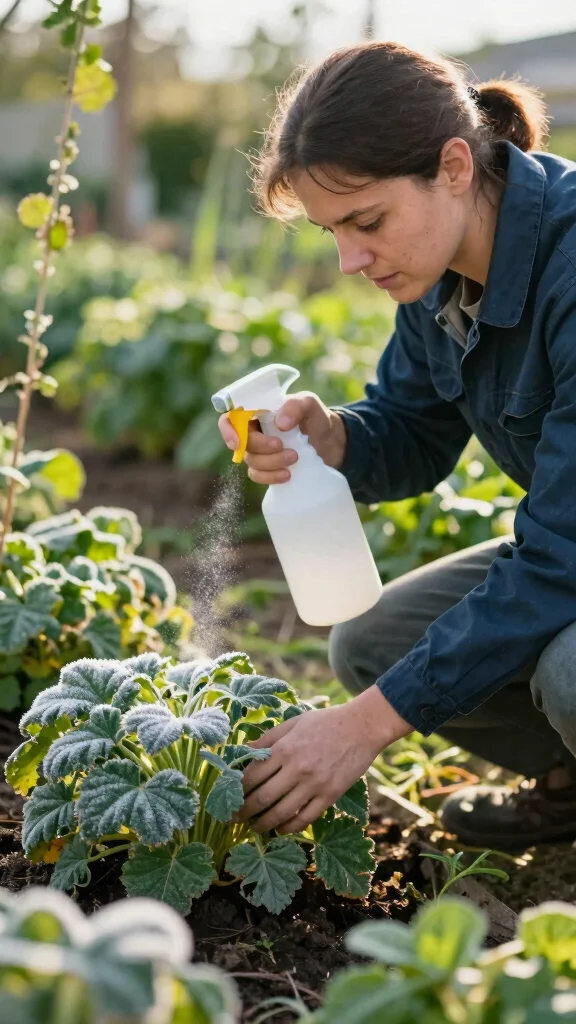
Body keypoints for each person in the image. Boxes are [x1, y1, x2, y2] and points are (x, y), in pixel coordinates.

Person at [219, 40, 576, 850]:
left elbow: (562, 558)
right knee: (375, 643)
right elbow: (412, 433)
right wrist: (333, 437)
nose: (351, 259)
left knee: (570, 673)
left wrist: (364, 727)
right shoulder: (440, 268)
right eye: (332, 231)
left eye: (367, 222)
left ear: (453, 165)